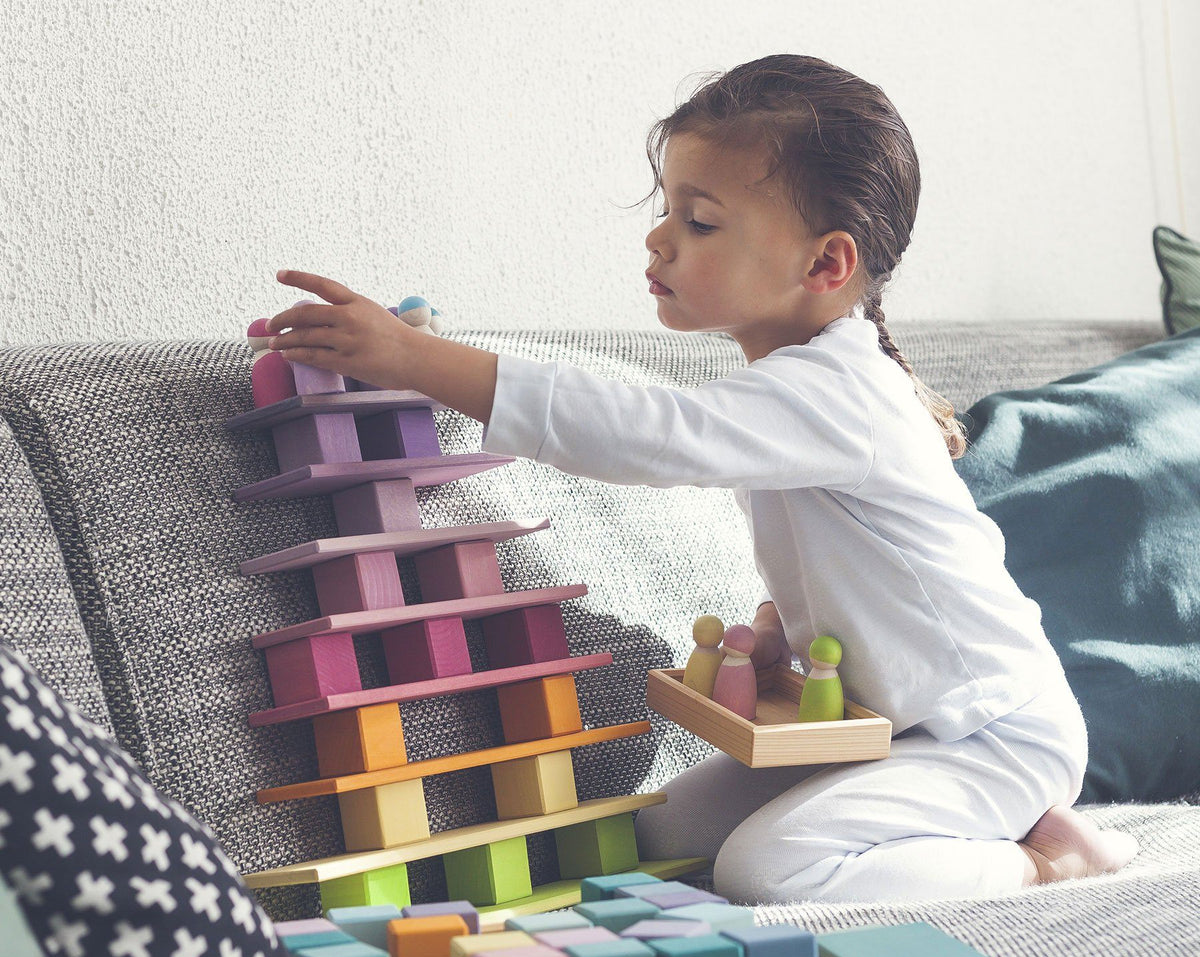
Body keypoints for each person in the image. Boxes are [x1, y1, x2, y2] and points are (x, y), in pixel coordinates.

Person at [261, 53, 1140, 904]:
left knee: (769, 871)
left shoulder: (842, 390)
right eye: (668, 210)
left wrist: (422, 359)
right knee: (657, 838)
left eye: (701, 221)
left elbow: (648, 435)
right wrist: (793, 643)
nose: (659, 238)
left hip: (986, 736)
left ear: (825, 265)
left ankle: (1043, 862)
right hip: (881, 728)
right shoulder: (795, 389)